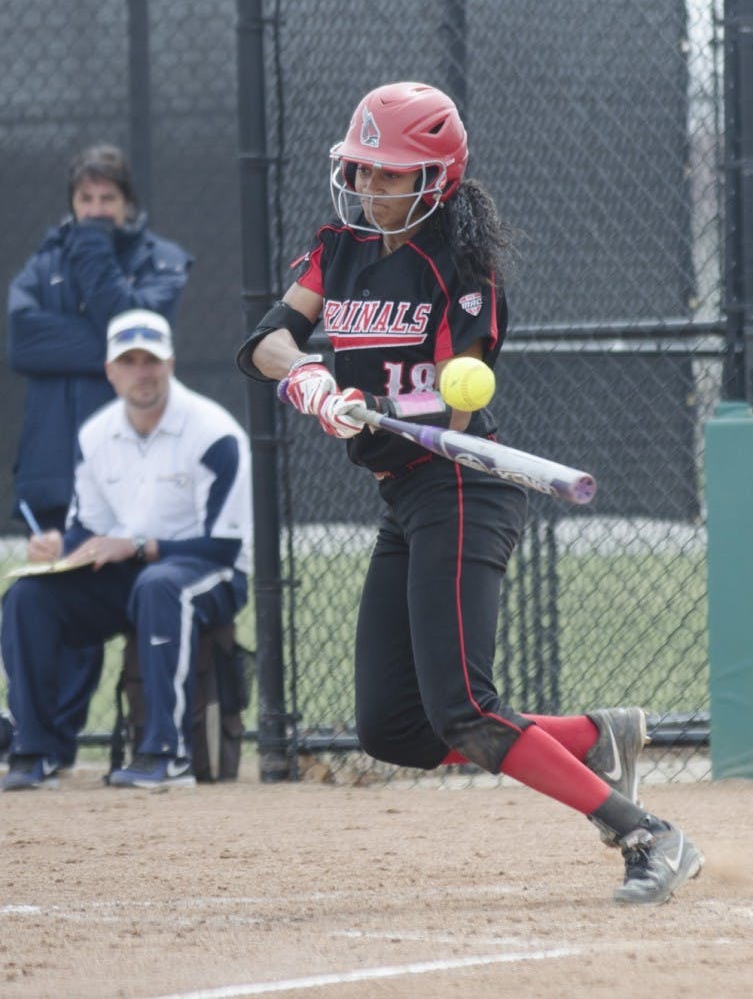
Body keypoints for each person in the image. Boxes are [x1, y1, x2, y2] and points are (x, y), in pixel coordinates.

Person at [236, 81, 703, 905]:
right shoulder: (336, 246)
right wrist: (307, 378)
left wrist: (377, 406)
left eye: (391, 174)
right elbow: (268, 339)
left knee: (465, 709)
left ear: (436, 179)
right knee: (396, 730)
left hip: (460, 488)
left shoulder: (461, 266)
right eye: (364, 169)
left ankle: (646, 833)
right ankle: (598, 736)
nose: (373, 187)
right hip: (401, 497)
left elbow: (458, 401)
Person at [2, 308, 252, 790]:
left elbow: (224, 547)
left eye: (151, 360)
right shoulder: (95, 436)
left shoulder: (214, 433)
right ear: (110, 372)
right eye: (130, 361)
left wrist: (138, 545)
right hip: (131, 574)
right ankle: (35, 752)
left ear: (171, 364)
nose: (143, 371)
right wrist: (60, 548)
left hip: (208, 573)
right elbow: (87, 532)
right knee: (28, 597)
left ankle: (166, 755)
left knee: (162, 587)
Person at [5, 143, 193, 766]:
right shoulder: (41, 262)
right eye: (84, 200)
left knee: (90, 592)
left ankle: (65, 736)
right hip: (49, 467)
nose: (93, 211)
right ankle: (42, 745)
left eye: (106, 199)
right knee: (43, 596)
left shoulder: (162, 260)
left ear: (127, 202)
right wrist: (112, 346)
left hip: (127, 478)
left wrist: (91, 255)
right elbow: (22, 344)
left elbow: (136, 335)